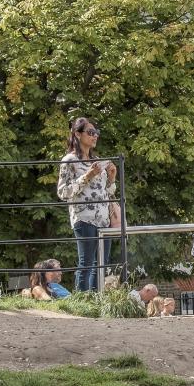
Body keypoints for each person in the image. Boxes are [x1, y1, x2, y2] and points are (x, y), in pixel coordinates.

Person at [57, 118, 118, 293]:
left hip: (103, 219)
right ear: (77, 134)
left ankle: (96, 300)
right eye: (90, 132)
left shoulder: (98, 161)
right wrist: (87, 176)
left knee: (101, 265)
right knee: (86, 263)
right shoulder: (69, 160)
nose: (95, 136)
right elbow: (63, 192)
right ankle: (83, 300)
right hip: (84, 218)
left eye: (96, 133)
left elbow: (107, 192)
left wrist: (112, 177)